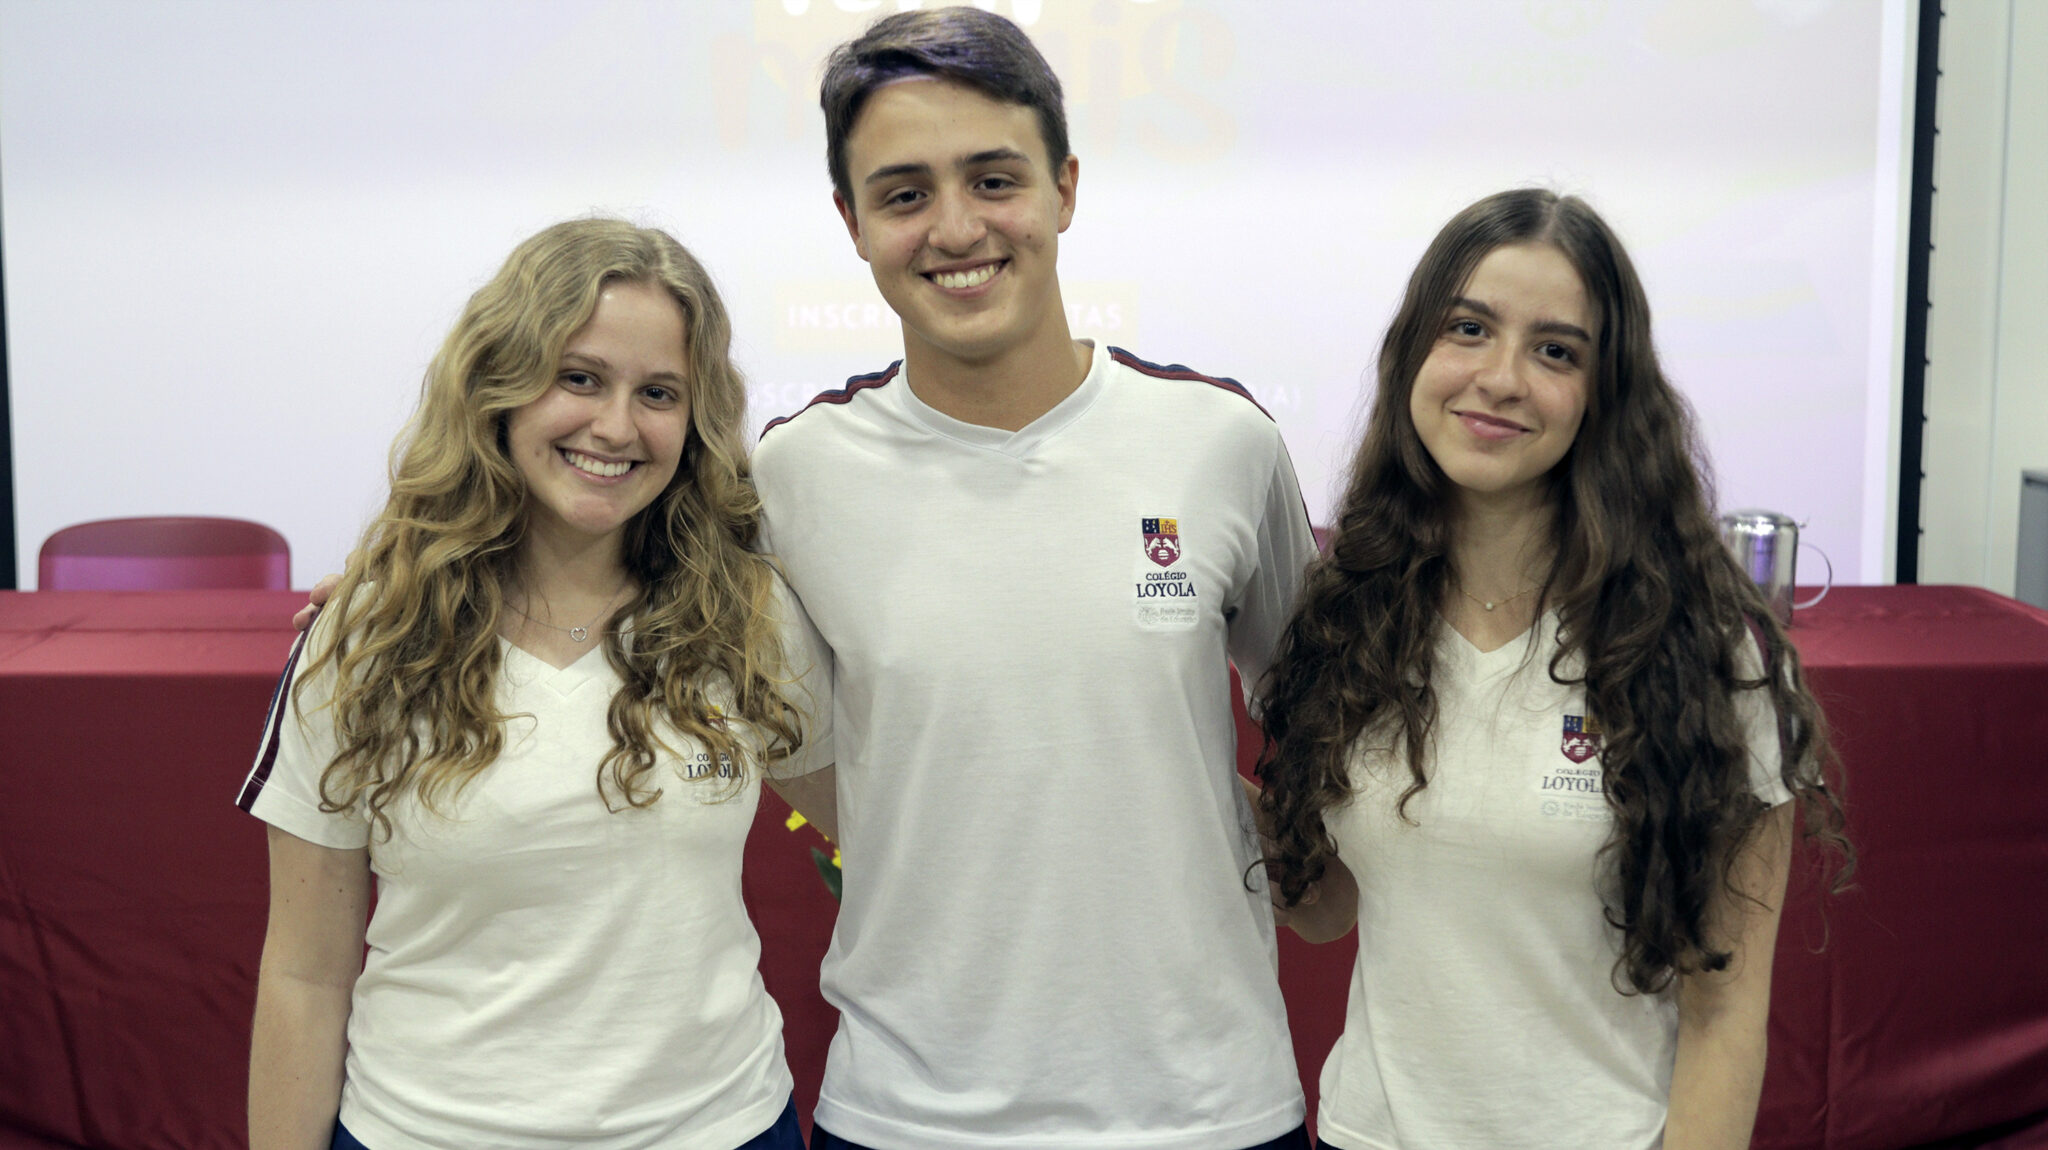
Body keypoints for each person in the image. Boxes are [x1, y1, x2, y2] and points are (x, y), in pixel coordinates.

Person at [748, 7, 1319, 1149]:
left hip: (1206, 1108)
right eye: (903, 194)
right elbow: (806, 754)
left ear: (1063, 188)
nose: (956, 228)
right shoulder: (794, 475)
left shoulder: (1220, 442)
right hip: (907, 1113)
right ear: (851, 222)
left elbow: (1322, 713)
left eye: (993, 179)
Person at [1251, 188, 1852, 1150]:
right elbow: (1328, 912)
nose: (1500, 378)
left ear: (1606, 394)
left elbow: (1725, 1013)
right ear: (1413, 354)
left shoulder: (1700, 654)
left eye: (1556, 351)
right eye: (1468, 328)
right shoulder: (1351, 615)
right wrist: (1180, 769)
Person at [241, 219, 828, 1150]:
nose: (616, 426)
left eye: (659, 393)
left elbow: (878, 828)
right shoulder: (367, 637)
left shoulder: (746, 613)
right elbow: (305, 977)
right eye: (579, 377)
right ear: (498, 387)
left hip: (720, 1127)